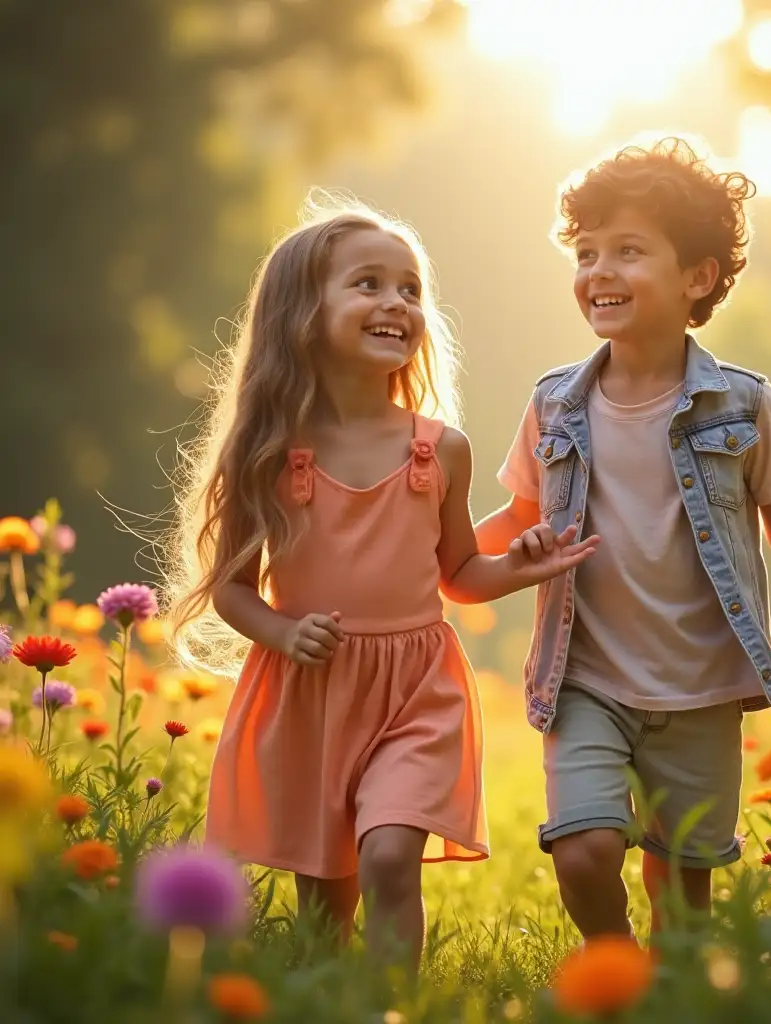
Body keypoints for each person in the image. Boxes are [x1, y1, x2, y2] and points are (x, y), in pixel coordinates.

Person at [475, 137, 771, 940]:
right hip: (585, 680)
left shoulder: (743, 405)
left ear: (696, 277)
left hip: (702, 686)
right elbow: (513, 523)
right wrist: (450, 557)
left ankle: (676, 992)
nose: (599, 270)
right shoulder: (553, 407)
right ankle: (617, 972)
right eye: (587, 251)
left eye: (628, 250)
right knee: (585, 852)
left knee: (684, 898)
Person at [166, 197, 598, 968]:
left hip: (413, 690)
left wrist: (518, 567)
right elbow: (230, 589)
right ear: (303, 312)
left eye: (410, 289)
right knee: (324, 901)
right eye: (368, 283)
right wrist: (282, 631)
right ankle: (335, 998)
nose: (397, 302)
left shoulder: (442, 450)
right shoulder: (269, 453)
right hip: (311, 691)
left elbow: (458, 574)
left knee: (391, 856)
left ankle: (395, 1003)